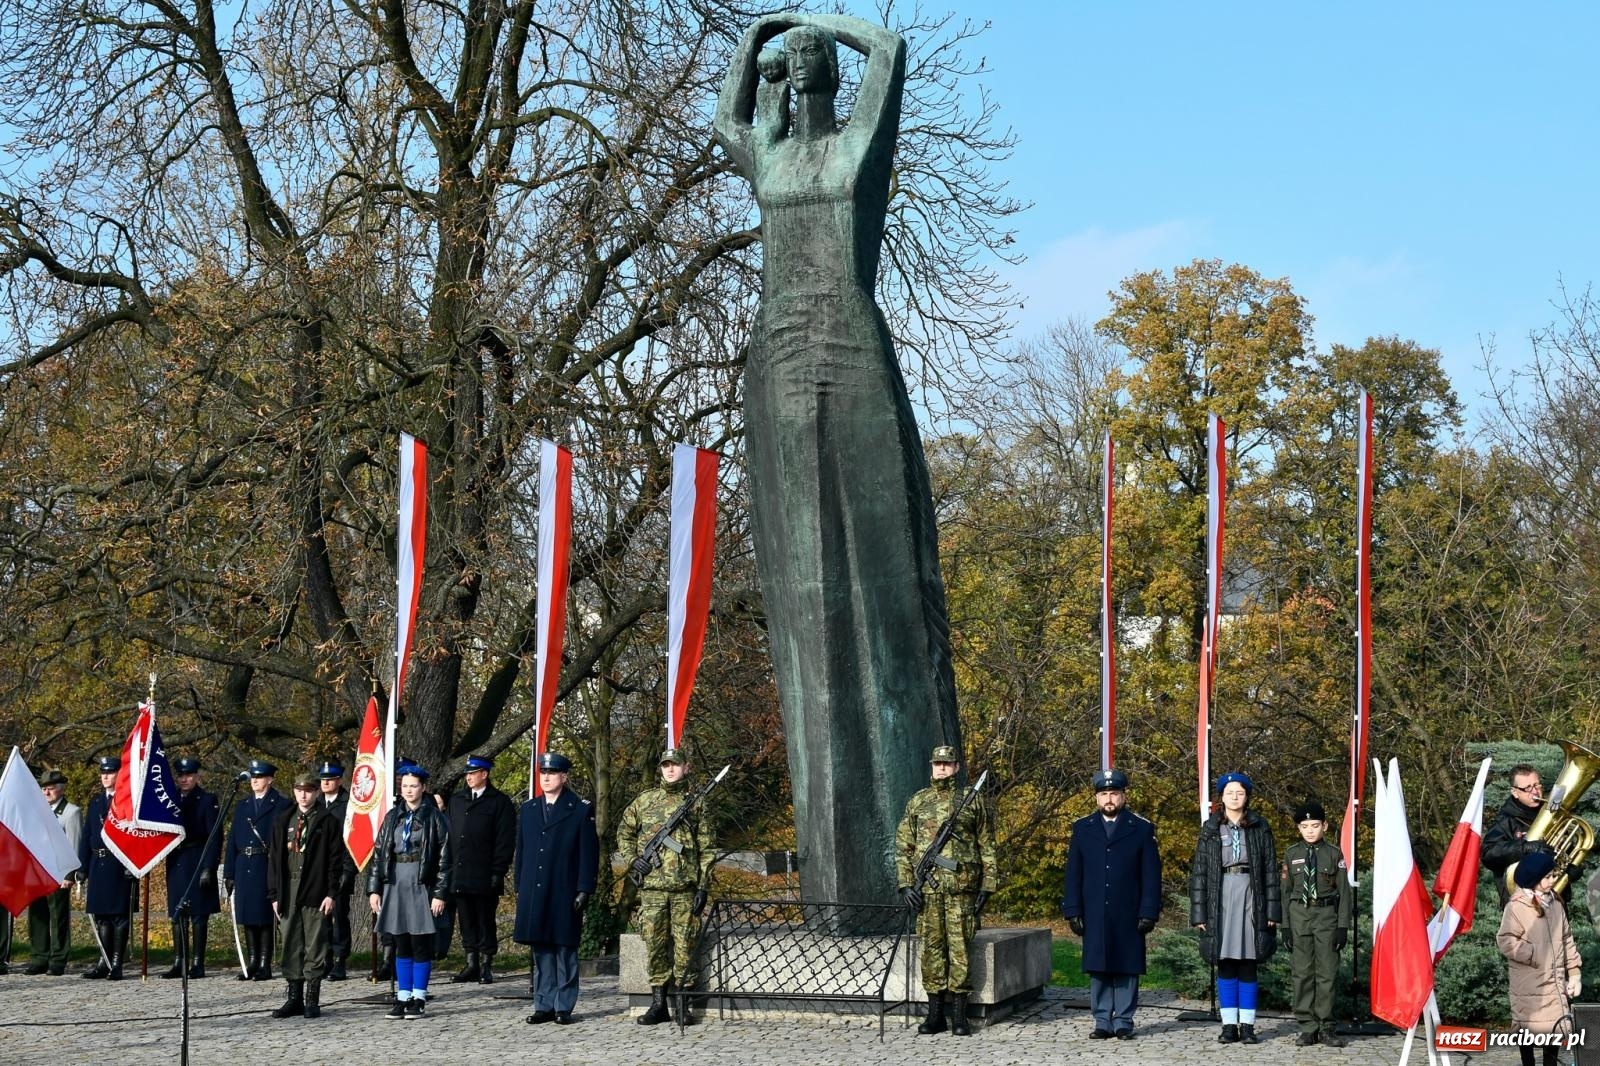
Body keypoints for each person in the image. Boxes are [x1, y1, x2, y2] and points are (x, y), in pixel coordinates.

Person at [712, 13, 962, 907]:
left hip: (850, 344)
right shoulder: (770, 157)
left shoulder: (859, 144)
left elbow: (889, 55)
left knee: (881, 576)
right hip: (778, 349)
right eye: (800, 55)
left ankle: (904, 857)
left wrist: (816, 20)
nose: (809, 57)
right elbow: (725, 120)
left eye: (816, 53)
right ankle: (835, 869)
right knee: (805, 589)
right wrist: (758, 36)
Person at [895, 744, 997, 1038]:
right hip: (928, 892)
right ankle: (935, 1015)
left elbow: (986, 846)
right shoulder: (918, 801)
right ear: (932, 767)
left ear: (956, 767)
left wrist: (987, 886)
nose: (941, 768)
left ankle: (960, 1017)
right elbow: (904, 846)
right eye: (937, 763)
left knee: (960, 951)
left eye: (947, 763)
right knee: (932, 951)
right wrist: (904, 884)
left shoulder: (972, 801)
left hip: (961, 890)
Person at [1060, 767, 1161, 1041]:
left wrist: (1149, 910)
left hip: (1128, 909)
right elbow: (1074, 873)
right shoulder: (1082, 828)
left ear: (1123, 796)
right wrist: (1073, 910)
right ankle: (1102, 1019)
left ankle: (1124, 1020)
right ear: (1096, 798)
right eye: (1104, 794)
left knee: (1127, 964)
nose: (1109, 799)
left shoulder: (1140, 828)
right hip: (1094, 908)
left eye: (1114, 793)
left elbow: (1151, 874)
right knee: (1099, 963)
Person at [617, 747, 715, 1026]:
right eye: (665, 765)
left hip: (684, 888)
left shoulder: (696, 803)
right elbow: (623, 833)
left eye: (675, 765)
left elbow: (707, 847)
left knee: (686, 946)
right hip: (652, 890)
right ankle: (659, 1003)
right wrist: (635, 860)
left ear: (686, 767)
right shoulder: (644, 801)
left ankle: (683, 1004)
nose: (670, 770)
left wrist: (703, 886)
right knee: (655, 946)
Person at [1190, 771, 1280, 1045]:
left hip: (1252, 896)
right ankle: (1229, 1025)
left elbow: (1270, 871)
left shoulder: (1260, 826)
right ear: (1222, 797)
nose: (1235, 797)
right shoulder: (1210, 828)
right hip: (1222, 895)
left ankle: (1248, 1026)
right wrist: (1200, 913)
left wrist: (1272, 912)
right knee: (1226, 962)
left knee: (1248, 962)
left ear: (1247, 796)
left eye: (1239, 793)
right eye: (1230, 793)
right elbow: (1200, 873)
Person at [515, 752, 600, 1025]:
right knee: (541, 949)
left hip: (564, 887)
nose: (547, 778)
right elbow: (523, 851)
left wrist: (585, 888)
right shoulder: (528, 810)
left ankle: (564, 1005)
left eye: (552, 773)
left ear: (563, 777)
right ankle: (544, 1004)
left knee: (564, 949)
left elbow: (589, 853)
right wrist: (520, 886)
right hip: (535, 889)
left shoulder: (579, 809)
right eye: (543, 773)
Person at [367, 763, 453, 1019]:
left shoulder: (434, 817)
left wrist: (439, 893)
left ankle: (419, 997)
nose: (408, 790)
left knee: (420, 942)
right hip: (395, 883)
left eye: (413, 786)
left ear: (423, 787)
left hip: (420, 884)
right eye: (404, 786)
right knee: (400, 942)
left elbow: (444, 858)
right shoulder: (393, 816)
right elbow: (379, 854)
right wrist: (374, 889)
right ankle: (403, 997)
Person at [267, 771, 341, 1020]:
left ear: (317, 792)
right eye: (299, 790)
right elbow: (275, 860)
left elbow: (335, 861)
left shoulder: (327, 821)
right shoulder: (284, 819)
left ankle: (312, 998)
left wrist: (331, 893)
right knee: (290, 942)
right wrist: (274, 894)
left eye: (309, 790)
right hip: (288, 890)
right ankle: (294, 997)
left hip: (315, 891)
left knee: (314, 944)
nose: (304, 795)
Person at [1497, 850, 1580, 1066]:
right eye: (1548, 876)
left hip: (1554, 982)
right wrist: (1533, 954)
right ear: (1534, 880)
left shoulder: (1556, 904)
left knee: (1552, 1031)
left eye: (1553, 875)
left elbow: (1567, 939)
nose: (1553, 880)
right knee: (1528, 1030)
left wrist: (1575, 973)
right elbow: (1505, 940)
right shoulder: (1516, 907)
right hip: (1528, 984)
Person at [1280, 800, 1352, 1048]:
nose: (1310, 830)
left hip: (1326, 917)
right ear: (1298, 828)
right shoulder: (1292, 854)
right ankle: (1307, 1027)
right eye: (1305, 826)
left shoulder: (1334, 854)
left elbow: (1344, 892)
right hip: (1300, 916)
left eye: (1315, 825)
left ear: (1325, 826)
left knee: (1327, 974)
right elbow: (1284, 893)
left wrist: (1343, 926)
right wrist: (1285, 926)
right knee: (1302, 973)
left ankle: (1327, 1026)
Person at [446, 754, 517, 985]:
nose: (468, 777)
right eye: (467, 773)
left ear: (484, 774)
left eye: (473, 773)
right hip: (460, 870)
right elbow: (451, 836)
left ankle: (486, 963)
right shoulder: (457, 801)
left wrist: (498, 871)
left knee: (485, 919)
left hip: (485, 871)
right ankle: (471, 962)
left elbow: (505, 840)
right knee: (465, 920)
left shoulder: (499, 802)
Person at [225, 759, 287, 980]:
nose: (254, 781)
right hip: (244, 864)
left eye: (259, 778)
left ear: (269, 779)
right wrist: (229, 872)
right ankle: (251, 961)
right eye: (253, 777)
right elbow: (232, 840)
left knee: (264, 915)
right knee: (248, 916)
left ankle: (264, 963)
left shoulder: (280, 803)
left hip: (265, 864)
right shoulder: (242, 805)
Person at [161, 756, 221, 979]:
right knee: (178, 914)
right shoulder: (170, 799)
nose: (184, 779)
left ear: (197, 776)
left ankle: (197, 962)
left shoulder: (207, 800)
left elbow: (214, 837)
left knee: (198, 914)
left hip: (197, 858)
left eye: (189, 775)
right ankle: (179, 960)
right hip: (176, 859)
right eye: (181, 776)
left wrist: (209, 867)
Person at [79, 755, 135, 980]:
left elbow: (134, 836)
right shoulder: (95, 802)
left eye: (109, 772)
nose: (104, 776)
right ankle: (104, 959)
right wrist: (82, 866)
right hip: (98, 864)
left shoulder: (127, 801)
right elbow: (87, 836)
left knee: (119, 917)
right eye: (102, 773)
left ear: (119, 775)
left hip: (118, 863)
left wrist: (132, 864)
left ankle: (116, 962)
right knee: (102, 916)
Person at [25, 770, 81, 976]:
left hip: (58, 872)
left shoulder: (71, 812)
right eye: (44, 788)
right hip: (37, 872)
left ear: (61, 789)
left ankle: (58, 959)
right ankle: (39, 957)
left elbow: (74, 844)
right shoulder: (36, 812)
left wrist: (70, 875)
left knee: (58, 917)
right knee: (37, 916)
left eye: (51, 788)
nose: (47, 792)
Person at [315, 759, 358, 981]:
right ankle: (326, 959)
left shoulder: (348, 803)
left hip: (340, 866)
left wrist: (348, 870)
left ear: (339, 780)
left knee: (340, 916)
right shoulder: (316, 802)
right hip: (319, 870)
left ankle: (341, 959)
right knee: (322, 917)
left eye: (330, 779)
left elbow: (353, 839)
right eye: (323, 779)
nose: (325, 783)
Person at [1484, 763, 1547, 906]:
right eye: (1527, 788)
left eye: (1537, 785)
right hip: (1522, 901)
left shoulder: (1551, 812)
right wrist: (1524, 848)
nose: (1535, 792)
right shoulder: (1505, 820)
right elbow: (1488, 854)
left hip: (1555, 897)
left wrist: (1572, 870)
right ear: (1514, 792)